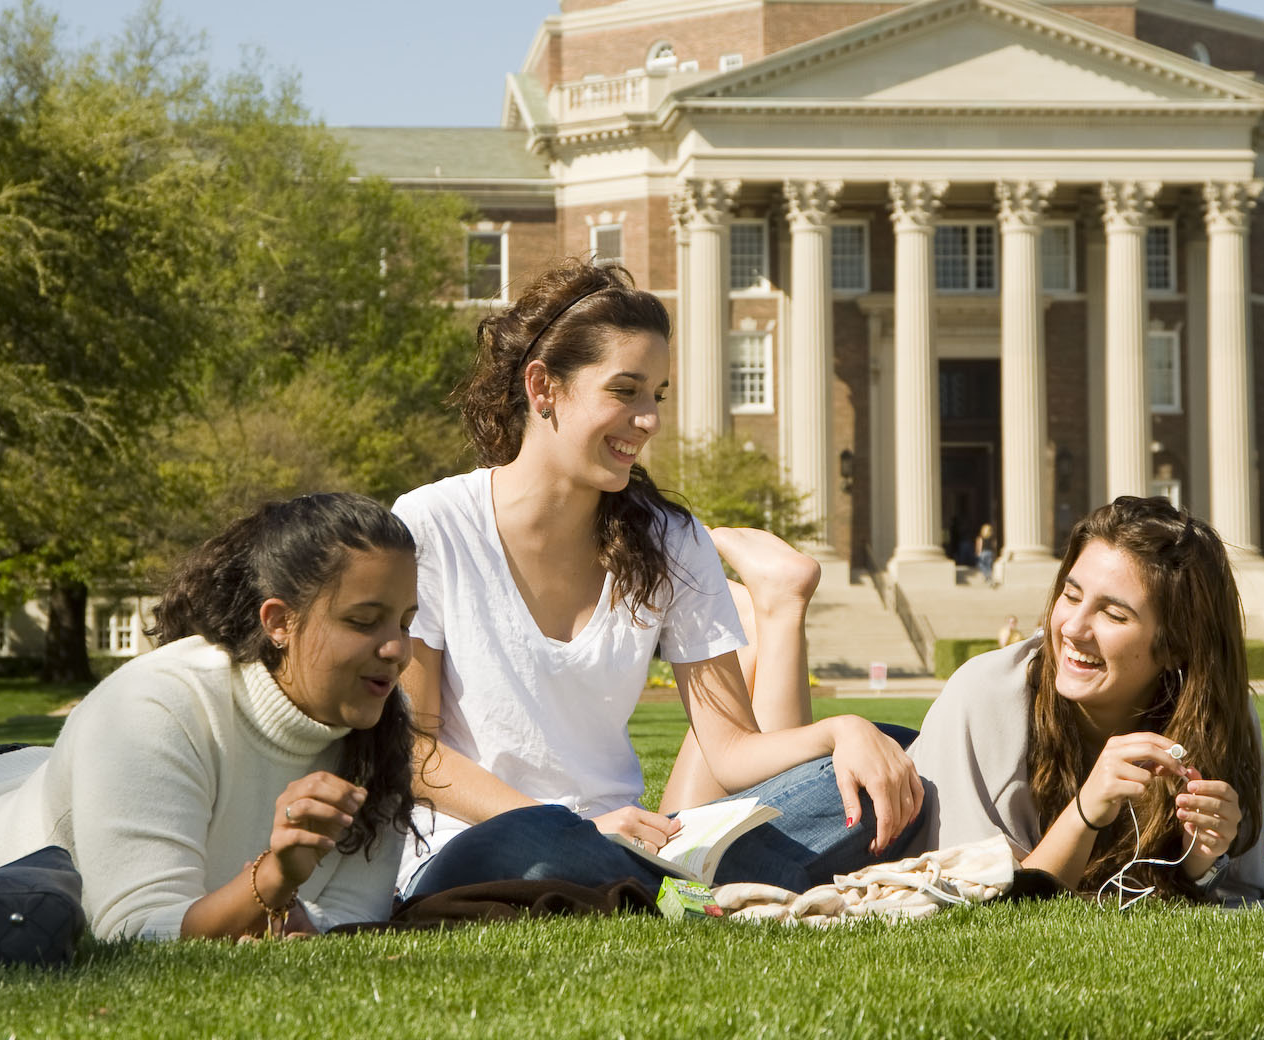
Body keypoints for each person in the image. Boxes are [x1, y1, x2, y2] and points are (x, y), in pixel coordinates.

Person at [392, 258, 923, 899]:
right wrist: (574, 825)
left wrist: (845, 732)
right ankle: (707, 887)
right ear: (543, 389)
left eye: (658, 396)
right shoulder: (433, 523)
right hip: (482, 842)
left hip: (633, 841)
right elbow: (413, 750)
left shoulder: (671, 538)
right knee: (542, 853)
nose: (649, 420)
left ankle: (672, 886)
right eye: (625, 391)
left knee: (896, 756)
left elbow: (730, 751)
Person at [0, 493, 424, 940]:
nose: (397, 650)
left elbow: (354, 915)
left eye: (405, 622)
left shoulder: (384, 716)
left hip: (36, 767)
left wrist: (296, 918)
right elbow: (133, 929)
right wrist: (275, 876)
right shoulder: (153, 706)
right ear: (279, 622)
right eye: (363, 622)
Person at [905, 496, 1264, 901]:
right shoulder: (983, 696)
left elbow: (1241, 890)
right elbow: (979, 898)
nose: (1073, 628)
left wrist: (1198, 861)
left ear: (1175, 646)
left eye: (1114, 615)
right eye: (1071, 595)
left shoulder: (1215, 714)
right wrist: (1085, 811)